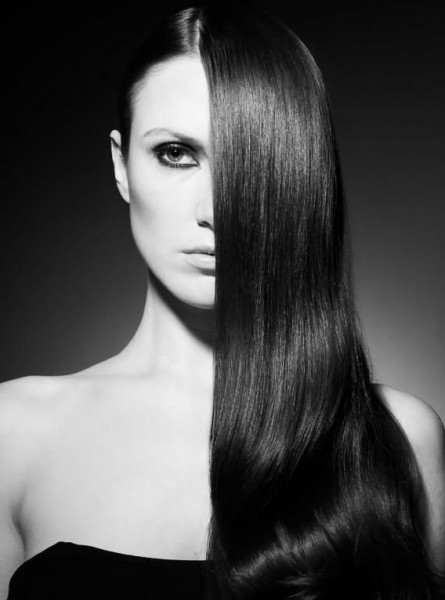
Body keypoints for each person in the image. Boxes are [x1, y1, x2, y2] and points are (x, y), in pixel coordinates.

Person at [1, 3, 444, 599]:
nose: (214, 210)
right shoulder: (13, 435)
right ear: (121, 165)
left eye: (251, 163)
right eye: (175, 153)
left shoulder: (401, 441)